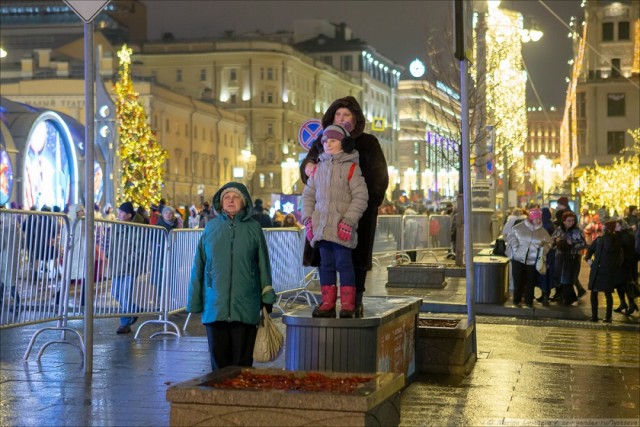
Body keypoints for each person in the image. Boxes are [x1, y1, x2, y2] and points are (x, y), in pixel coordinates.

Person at [299, 96, 388, 317]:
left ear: (356, 118)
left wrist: (366, 205)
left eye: (346, 115)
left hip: (358, 214)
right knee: (326, 260)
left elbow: (379, 177)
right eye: (338, 114)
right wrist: (308, 167)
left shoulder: (367, 142)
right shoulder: (324, 139)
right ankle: (327, 302)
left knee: (354, 262)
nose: (342, 118)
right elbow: (308, 171)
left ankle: (354, 302)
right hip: (325, 214)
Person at [187, 182, 277, 371]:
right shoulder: (211, 228)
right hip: (215, 306)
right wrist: (195, 300)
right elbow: (199, 266)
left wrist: (267, 295)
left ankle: (242, 399)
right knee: (218, 366)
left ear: (243, 202)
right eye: (226, 197)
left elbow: (263, 263)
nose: (230, 200)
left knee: (242, 364)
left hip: (245, 305)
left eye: (235, 197)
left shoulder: (253, 228)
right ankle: (219, 399)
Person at [301, 124, 368, 318]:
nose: (328, 144)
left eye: (333, 140)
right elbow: (308, 196)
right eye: (325, 141)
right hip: (321, 228)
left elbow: (360, 197)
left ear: (343, 143)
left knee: (344, 264)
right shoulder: (318, 169)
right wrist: (308, 220)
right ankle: (328, 303)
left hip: (341, 228)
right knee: (326, 265)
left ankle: (348, 304)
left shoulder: (351, 168)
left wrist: (348, 221)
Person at [108, 202, 145, 334]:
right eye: (119, 211)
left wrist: (127, 261)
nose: (119, 214)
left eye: (122, 212)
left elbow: (141, 249)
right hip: (117, 265)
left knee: (124, 295)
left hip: (130, 268)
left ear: (129, 215)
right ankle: (135, 310)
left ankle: (124, 324)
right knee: (115, 292)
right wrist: (109, 255)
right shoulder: (116, 225)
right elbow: (111, 243)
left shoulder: (137, 228)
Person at [506, 208, 551, 307]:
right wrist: (515, 247)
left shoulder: (543, 231)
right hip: (518, 258)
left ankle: (529, 301)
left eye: (539, 218)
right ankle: (517, 300)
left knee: (531, 280)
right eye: (536, 218)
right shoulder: (519, 227)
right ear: (531, 218)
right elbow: (511, 236)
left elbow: (549, 243)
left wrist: (543, 251)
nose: (538, 220)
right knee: (518, 279)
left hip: (532, 259)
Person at [584, 219, 623, 323]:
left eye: (605, 228)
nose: (603, 229)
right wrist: (589, 260)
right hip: (602, 269)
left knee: (603, 293)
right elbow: (590, 250)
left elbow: (591, 251)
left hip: (603, 269)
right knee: (600, 293)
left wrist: (590, 262)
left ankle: (602, 316)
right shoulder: (603, 240)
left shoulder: (608, 240)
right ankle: (600, 316)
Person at [550, 211, 587, 306]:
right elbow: (551, 241)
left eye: (573, 220)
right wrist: (556, 241)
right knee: (559, 277)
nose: (571, 222)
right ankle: (565, 296)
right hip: (560, 257)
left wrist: (572, 244)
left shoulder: (577, 231)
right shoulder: (559, 229)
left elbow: (583, 244)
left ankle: (569, 299)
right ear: (563, 221)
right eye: (569, 220)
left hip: (572, 257)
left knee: (568, 278)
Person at [614, 220, 638, 316]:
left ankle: (631, 304)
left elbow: (628, 252)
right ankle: (623, 303)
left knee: (626, 285)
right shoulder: (620, 236)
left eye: (617, 226)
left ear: (622, 227)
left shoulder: (627, 237)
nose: (615, 228)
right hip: (621, 265)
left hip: (625, 265)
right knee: (619, 285)